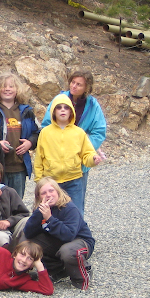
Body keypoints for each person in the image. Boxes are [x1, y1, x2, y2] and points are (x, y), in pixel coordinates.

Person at [41, 70, 107, 206]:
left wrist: (82, 147)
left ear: (86, 88)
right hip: (56, 161)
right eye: (73, 82)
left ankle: (75, 226)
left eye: (79, 84)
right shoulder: (59, 99)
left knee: (75, 204)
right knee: (53, 202)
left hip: (79, 163)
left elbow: (99, 131)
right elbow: (47, 125)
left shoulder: (92, 105)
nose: (74, 86)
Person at [34, 94, 103, 214]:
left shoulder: (79, 133)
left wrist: (93, 159)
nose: (62, 110)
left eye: (66, 108)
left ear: (71, 112)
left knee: (75, 212)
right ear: (53, 111)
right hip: (51, 181)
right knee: (51, 212)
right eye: (59, 107)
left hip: (74, 180)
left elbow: (87, 154)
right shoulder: (45, 133)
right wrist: (40, 180)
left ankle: (77, 233)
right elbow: (39, 158)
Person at [24, 177, 95, 290]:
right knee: (30, 243)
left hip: (80, 241)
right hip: (57, 241)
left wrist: (50, 218)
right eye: (43, 193)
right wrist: (38, 213)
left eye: (51, 191)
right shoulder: (41, 210)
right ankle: (57, 270)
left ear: (58, 191)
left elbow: (69, 235)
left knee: (67, 251)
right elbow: (28, 233)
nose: (48, 195)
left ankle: (82, 276)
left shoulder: (69, 208)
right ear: (39, 197)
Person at [0, 73, 39, 198]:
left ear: (17, 89)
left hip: (19, 168)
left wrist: (30, 143)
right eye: (4, 86)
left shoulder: (26, 111)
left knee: (15, 206)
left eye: (11, 86)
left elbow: (37, 133)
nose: (7, 89)